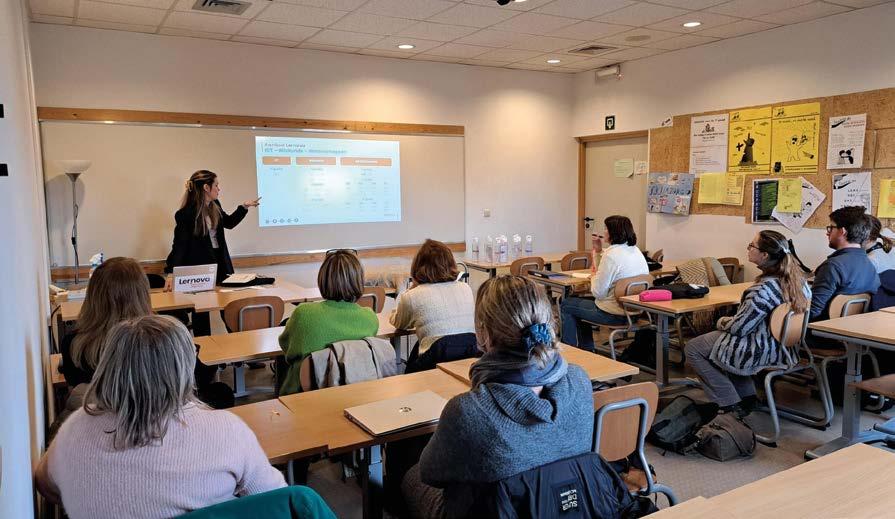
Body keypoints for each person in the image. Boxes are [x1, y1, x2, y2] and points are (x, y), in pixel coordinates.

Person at [35, 315, 286, 518]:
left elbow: (46, 484)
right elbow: (277, 499)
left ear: (109, 365)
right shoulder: (227, 430)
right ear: (184, 367)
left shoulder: (75, 427)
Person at [401, 276, 594, 518]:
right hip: (562, 505)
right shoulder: (579, 380)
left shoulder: (468, 410)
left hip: (496, 510)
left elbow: (431, 474)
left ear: (484, 334)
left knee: (410, 475)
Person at [685, 231, 811, 415]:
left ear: (765, 255)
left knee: (694, 348)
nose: (748, 248)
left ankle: (728, 403)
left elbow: (739, 328)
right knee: (718, 345)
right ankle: (748, 398)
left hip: (759, 350)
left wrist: (721, 321)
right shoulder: (801, 283)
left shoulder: (762, 290)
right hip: (785, 348)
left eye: (752, 245)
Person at [164, 170, 260, 336]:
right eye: (216, 185)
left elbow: (229, 223)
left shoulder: (216, 205)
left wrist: (244, 207)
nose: (219, 189)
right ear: (206, 188)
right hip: (200, 268)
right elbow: (179, 246)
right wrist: (171, 273)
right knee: (201, 311)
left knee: (229, 306)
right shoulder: (185, 214)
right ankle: (205, 350)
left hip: (221, 264)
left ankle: (239, 343)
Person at [278, 249, 379, 395]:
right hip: (354, 392)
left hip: (304, 396)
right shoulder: (370, 318)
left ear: (323, 279)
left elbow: (287, 348)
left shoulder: (304, 313)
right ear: (359, 281)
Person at [560, 215, 648, 351]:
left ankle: (571, 352)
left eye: (606, 229)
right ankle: (586, 350)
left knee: (567, 304)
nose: (604, 232)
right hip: (636, 312)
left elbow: (598, 293)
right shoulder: (635, 250)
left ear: (614, 232)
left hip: (612, 314)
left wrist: (594, 277)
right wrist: (598, 251)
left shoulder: (611, 255)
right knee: (578, 308)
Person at [59, 257, 151, 387]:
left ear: (93, 295)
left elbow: (75, 388)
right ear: (143, 295)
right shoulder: (162, 343)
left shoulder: (72, 346)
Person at [391, 239, 475, 365]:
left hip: (432, 364)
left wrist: (408, 290)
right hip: (467, 360)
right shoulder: (466, 288)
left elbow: (398, 322)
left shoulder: (412, 296)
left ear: (418, 266)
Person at [809, 206, 879, 322]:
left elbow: (812, 311)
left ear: (842, 231)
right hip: (851, 327)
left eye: (831, 228)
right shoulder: (870, 265)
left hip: (823, 328)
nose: (827, 233)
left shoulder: (832, 266)